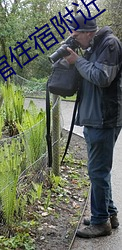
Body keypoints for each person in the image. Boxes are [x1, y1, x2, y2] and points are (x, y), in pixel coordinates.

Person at [64, 14, 122, 238]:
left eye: (76, 33)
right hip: (94, 117)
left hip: (104, 118)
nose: (74, 37)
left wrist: (77, 61)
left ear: (89, 32)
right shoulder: (93, 46)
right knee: (99, 171)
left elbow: (101, 77)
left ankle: (100, 223)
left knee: (97, 171)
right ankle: (109, 214)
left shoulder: (110, 44)